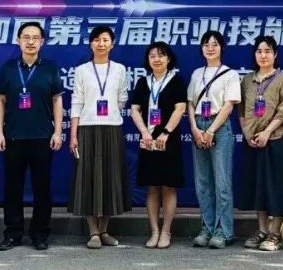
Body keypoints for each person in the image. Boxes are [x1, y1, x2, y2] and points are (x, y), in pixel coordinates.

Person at [0, 21, 64, 251]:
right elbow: (0, 100)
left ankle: (40, 234)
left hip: (42, 137)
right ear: (18, 40)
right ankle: (12, 233)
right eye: (26, 37)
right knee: (12, 188)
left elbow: (57, 100)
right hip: (13, 137)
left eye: (35, 38)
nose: (31, 42)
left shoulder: (50, 68)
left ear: (42, 42)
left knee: (42, 188)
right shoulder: (8, 68)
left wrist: (57, 132)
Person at [68, 25, 131, 248]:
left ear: (112, 44)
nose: (101, 44)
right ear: (90, 44)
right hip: (87, 128)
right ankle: (93, 232)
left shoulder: (120, 69)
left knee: (110, 179)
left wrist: (110, 111)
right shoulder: (82, 70)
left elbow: (122, 98)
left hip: (112, 127)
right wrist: (73, 134)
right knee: (88, 179)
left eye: (105, 40)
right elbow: (77, 102)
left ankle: (104, 230)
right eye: (96, 40)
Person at [237, 35, 283, 251]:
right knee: (257, 187)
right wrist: (246, 133)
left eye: (268, 51)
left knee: (276, 187)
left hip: (274, 140)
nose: (263, 55)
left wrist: (267, 132)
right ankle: (262, 230)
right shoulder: (247, 80)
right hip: (252, 142)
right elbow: (241, 109)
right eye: (259, 51)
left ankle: (275, 234)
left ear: (275, 54)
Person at [186, 29, 241, 249]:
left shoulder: (230, 74)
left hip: (219, 126)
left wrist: (210, 131)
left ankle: (223, 230)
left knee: (222, 182)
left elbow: (228, 106)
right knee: (203, 182)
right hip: (199, 125)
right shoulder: (196, 73)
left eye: (215, 44)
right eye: (206, 44)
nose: (210, 48)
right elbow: (190, 103)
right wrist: (194, 128)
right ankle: (207, 227)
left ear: (221, 48)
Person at [130, 41, 187, 248]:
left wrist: (165, 133)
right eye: (152, 56)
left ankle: (166, 232)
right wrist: (145, 132)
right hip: (148, 140)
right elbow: (134, 109)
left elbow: (180, 108)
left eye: (161, 55)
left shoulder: (176, 80)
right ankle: (154, 231)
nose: (157, 59)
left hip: (168, 140)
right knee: (152, 187)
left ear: (168, 59)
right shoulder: (143, 82)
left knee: (168, 187)